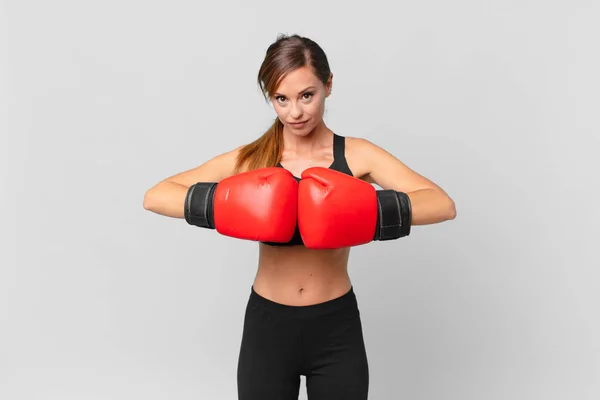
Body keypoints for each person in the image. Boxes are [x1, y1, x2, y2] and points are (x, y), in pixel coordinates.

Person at [143, 34, 456, 400]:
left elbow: (441, 204)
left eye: (307, 95)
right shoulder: (252, 159)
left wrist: (366, 212)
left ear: (328, 85)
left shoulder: (357, 155)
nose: (295, 112)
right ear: (270, 97)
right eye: (281, 99)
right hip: (268, 328)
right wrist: (227, 205)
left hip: (335, 327)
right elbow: (156, 196)